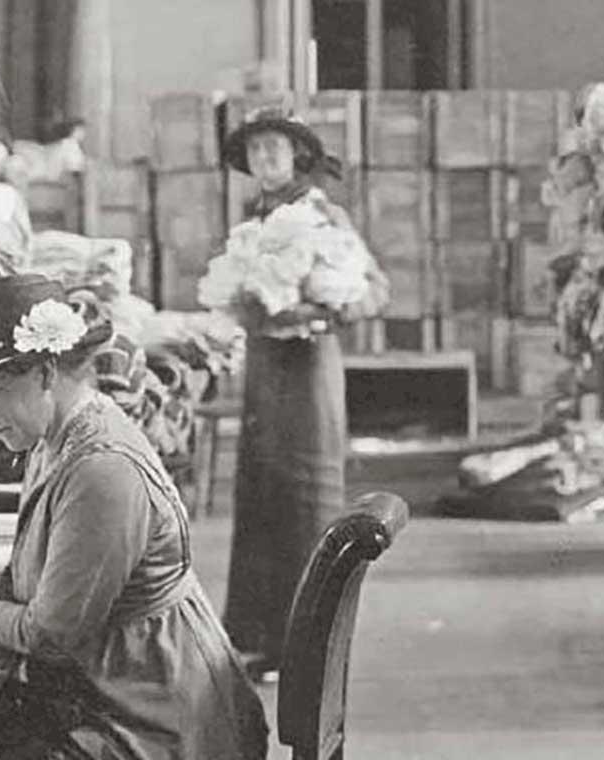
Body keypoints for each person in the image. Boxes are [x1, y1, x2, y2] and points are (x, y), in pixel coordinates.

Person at [0, 274, 267, 759]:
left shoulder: (100, 468)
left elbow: (50, 635)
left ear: (46, 373)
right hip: (112, 694)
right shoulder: (53, 438)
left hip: (161, 721)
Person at [216, 111, 371, 677]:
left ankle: (306, 649)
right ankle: (259, 638)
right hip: (264, 368)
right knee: (261, 496)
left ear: (298, 154)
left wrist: (320, 309)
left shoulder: (323, 214)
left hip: (307, 370)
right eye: (256, 151)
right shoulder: (250, 217)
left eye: (275, 148)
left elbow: (371, 290)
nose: (265, 159)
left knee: (306, 501)